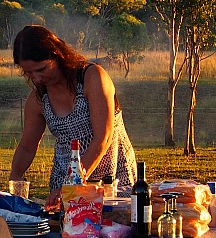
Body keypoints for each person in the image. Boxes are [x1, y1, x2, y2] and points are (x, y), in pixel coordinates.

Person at [9, 25, 137, 207]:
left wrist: (73, 184)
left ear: (57, 55)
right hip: (62, 185)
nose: (36, 79)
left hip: (111, 181)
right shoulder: (38, 99)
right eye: (29, 72)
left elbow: (103, 137)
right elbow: (27, 147)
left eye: (41, 69)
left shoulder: (92, 77)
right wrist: (14, 180)